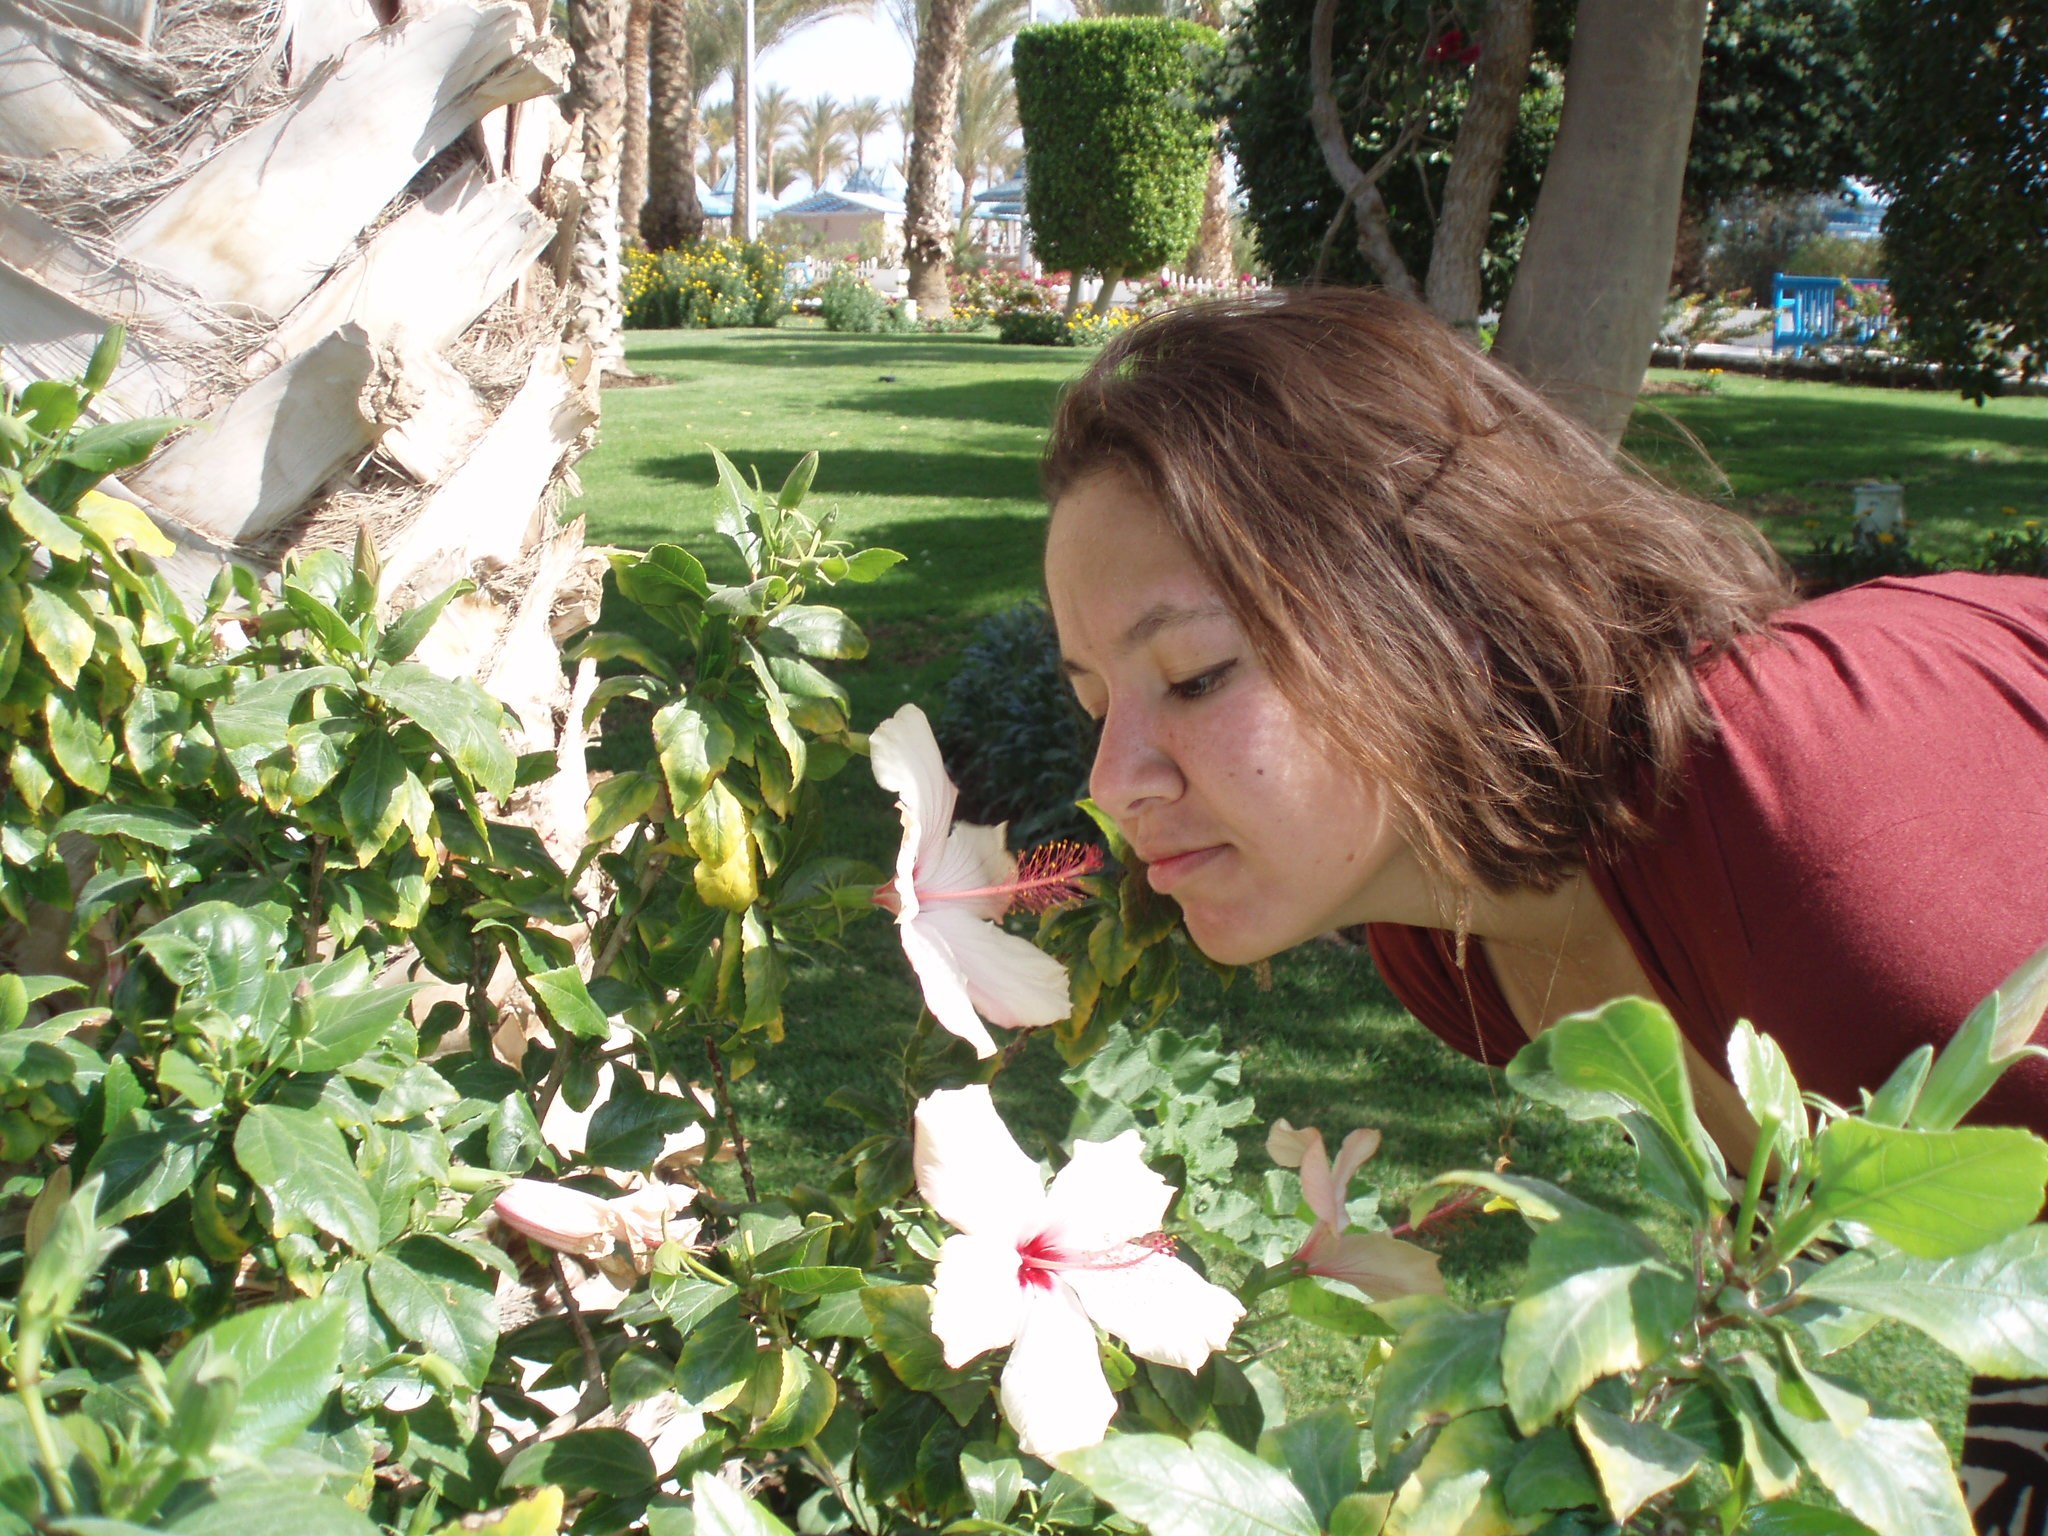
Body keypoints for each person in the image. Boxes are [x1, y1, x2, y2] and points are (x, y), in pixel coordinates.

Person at [1039, 287, 2048, 1525]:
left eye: (1192, 676)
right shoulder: (1450, 954)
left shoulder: (1823, 855)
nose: (1111, 783)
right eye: (1094, 702)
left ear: (1434, 612)